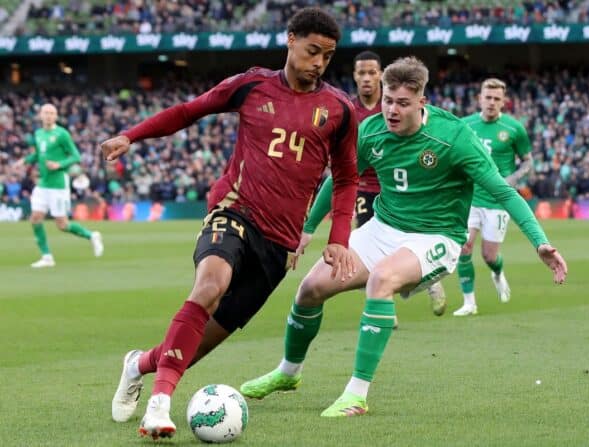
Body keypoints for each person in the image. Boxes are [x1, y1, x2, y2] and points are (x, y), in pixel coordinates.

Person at [239, 57, 567, 417]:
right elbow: (340, 178)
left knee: (381, 280)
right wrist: (308, 229)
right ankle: (288, 372)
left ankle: (356, 394)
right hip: (383, 227)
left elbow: (504, 193)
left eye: (402, 103)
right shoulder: (371, 130)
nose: (392, 111)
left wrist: (540, 242)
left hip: (436, 237)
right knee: (310, 289)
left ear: (422, 103)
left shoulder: (454, 137)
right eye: (387, 101)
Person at [104, 7, 359, 440]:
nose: (318, 63)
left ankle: (139, 364)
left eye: (328, 56)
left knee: (195, 346)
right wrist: (133, 135)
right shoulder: (252, 85)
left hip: (278, 246)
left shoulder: (339, 109)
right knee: (209, 286)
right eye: (312, 50)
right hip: (234, 211)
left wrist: (338, 239)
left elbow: (348, 177)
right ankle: (159, 406)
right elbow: (188, 111)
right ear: (290, 39)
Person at [301, 50, 447, 321]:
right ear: (355, 76)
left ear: (381, 75)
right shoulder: (348, 110)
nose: (367, 78)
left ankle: (426, 278)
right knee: (368, 250)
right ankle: (383, 305)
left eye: (372, 72)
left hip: (398, 188)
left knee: (402, 244)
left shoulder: (397, 106)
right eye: (361, 73)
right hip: (363, 189)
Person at [452, 78, 533, 316]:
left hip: (497, 201)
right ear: (479, 99)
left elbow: (528, 161)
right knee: (464, 247)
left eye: (496, 99)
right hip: (470, 198)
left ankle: (497, 272)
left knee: (489, 255)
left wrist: (513, 180)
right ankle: (469, 302)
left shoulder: (514, 129)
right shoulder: (465, 125)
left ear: (503, 102)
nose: (491, 102)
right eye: (487, 97)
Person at [16, 103, 103, 267]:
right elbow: (38, 154)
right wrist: (24, 161)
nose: (48, 115)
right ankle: (47, 257)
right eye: (45, 112)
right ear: (40, 115)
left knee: (62, 225)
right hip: (42, 184)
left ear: (56, 116)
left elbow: (76, 156)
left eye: (51, 113)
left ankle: (91, 236)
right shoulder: (38, 133)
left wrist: (59, 164)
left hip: (58, 185)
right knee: (35, 219)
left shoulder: (62, 134)